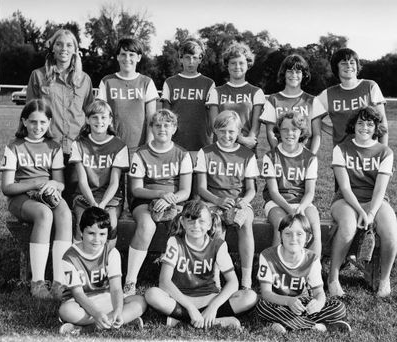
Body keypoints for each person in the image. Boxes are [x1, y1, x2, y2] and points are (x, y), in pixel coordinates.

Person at [145, 200, 257, 329]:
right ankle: (214, 322)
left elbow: (233, 282)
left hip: (209, 298)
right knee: (152, 294)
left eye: (201, 221)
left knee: (250, 297)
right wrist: (190, 308)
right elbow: (164, 282)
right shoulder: (175, 242)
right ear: (182, 222)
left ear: (209, 224)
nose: (196, 226)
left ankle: (181, 321)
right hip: (181, 299)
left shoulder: (218, 245)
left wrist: (213, 307)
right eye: (191, 220)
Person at [0, 99, 72, 299]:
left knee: (65, 213)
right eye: (33, 122)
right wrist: (35, 184)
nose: (37, 127)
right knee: (44, 214)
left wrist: (51, 186)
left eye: (42, 122)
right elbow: (7, 187)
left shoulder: (53, 146)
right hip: (21, 198)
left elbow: (60, 183)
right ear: (24, 121)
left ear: (49, 122)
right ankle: (38, 283)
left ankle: (59, 282)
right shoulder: (14, 146)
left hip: (45, 194)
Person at [328, 107, 397, 298]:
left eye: (369, 124)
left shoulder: (385, 152)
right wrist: (360, 210)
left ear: (376, 127)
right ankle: (333, 278)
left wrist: (371, 212)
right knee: (349, 226)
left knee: (391, 229)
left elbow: (380, 189)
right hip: (346, 199)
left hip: (376, 199)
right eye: (360, 123)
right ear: (353, 125)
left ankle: (384, 279)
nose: (364, 127)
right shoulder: (341, 148)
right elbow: (345, 187)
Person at [124, 109, 193, 296]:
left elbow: (185, 191)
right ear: (151, 128)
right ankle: (130, 281)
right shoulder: (141, 153)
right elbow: (136, 189)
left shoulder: (182, 154)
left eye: (167, 125)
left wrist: (170, 200)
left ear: (174, 128)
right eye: (158, 125)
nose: (162, 129)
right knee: (146, 226)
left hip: (173, 202)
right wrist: (161, 194)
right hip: (145, 199)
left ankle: (177, 280)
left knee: (180, 224)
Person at [26, 29, 94, 203]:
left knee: (73, 198)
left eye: (69, 45)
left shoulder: (84, 79)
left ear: (75, 50)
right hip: (47, 147)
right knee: (48, 198)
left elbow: (90, 114)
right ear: (52, 48)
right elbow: (30, 113)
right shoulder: (38, 76)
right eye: (59, 44)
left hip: (76, 148)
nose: (64, 48)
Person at [195, 110, 259, 290]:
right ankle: (214, 277)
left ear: (238, 132)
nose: (227, 135)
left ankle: (246, 278)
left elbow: (252, 189)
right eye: (222, 131)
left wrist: (244, 201)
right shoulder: (206, 152)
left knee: (246, 222)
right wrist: (218, 200)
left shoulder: (247, 155)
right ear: (215, 130)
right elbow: (201, 188)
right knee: (216, 225)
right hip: (212, 200)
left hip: (238, 201)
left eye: (231, 131)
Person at [256, 214, 350, 334]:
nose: (293, 238)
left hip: (302, 303)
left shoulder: (312, 258)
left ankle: (283, 324)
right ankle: (319, 327)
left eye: (299, 234)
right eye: (287, 233)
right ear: (281, 236)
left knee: (339, 307)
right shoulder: (267, 256)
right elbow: (266, 293)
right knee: (262, 306)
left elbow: (319, 292)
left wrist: (318, 303)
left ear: (308, 237)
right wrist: (288, 301)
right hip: (277, 302)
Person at [58, 206, 146, 336]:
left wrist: (117, 309)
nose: (97, 239)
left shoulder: (111, 252)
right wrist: (97, 314)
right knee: (66, 310)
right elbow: (78, 294)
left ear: (107, 235)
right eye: (91, 233)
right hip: (82, 303)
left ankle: (87, 328)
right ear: (81, 232)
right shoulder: (70, 257)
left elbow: (116, 288)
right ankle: (121, 322)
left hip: (106, 298)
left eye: (102, 234)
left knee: (140, 302)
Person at [261, 111, 321, 256]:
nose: (290, 133)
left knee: (314, 224)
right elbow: (274, 192)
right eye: (285, 129)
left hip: (301, 202)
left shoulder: (310, 157)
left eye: (294, 129)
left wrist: (301, 207)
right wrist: (289, 209)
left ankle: (313, 270)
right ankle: (275, 270)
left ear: (301, 132)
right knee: (282, 224)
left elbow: (310, 192)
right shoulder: (270, 156)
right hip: (277, 202)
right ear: (278, 132)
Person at [69, 99, 129, 243]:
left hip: (110, 198)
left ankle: (105, 262)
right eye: (94, 117)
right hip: (85, 196)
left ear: (110, 120)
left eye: (103, 117)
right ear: (87, 120)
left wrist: (102, 205)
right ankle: (80, 263)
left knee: (111, 224)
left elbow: (114, 183)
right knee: (82, 224)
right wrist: (92, 203)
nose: (99, 121)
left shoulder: (119, 145)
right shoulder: (79, 144)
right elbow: (82, 181)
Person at [97, 37, 159, 153]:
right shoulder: (107, 82)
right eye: (123, 54)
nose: (127, 58)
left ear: (139, 58)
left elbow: (151, 118)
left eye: (132, 55)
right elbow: (100, 115)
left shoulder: (146, 82)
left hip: (138, 148)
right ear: (117, 57)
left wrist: (148, 147)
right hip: (111, 146)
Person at [318, 48, 388, 147]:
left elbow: (382, 122)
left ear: (357, 65)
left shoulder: (370, 86)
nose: (349, 66)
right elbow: (311, 116)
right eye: (343, 63)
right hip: (342, 154)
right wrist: (335, 132)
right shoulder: (328, 94)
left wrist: (382, 151)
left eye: (352, 62)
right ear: (336, 67)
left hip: (370, 152)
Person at [260, 54, 325, 155]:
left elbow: (317, 134)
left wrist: (311, 156)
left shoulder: (312, 101)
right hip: (281, 156)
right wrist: (279, 154)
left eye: (298, 71)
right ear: (283, 74)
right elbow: (270, 132)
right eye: (289, 71)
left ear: (304, 74)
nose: (294, 75)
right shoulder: (273, 100)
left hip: (305, 156)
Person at [206, 42, 265, 152]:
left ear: (248, 64)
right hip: (220, 150)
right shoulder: (216, 92)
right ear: (227, 65)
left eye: (241, 63)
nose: (237, 67)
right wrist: (240, 139)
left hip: (245, 151)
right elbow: (215, 126)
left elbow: (255, 128)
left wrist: (249, 141)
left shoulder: (256, 92)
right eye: (233, 63)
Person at [161, 37, 215, 152]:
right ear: (180, 59)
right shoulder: (170, 82)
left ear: (200, 59)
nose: (191, 62)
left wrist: (207, 134)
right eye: (187, 57)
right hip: (174, 145)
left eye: (195, 58)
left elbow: (212, 119)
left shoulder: (209, 83)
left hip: (201, 144)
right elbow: (165, 116)